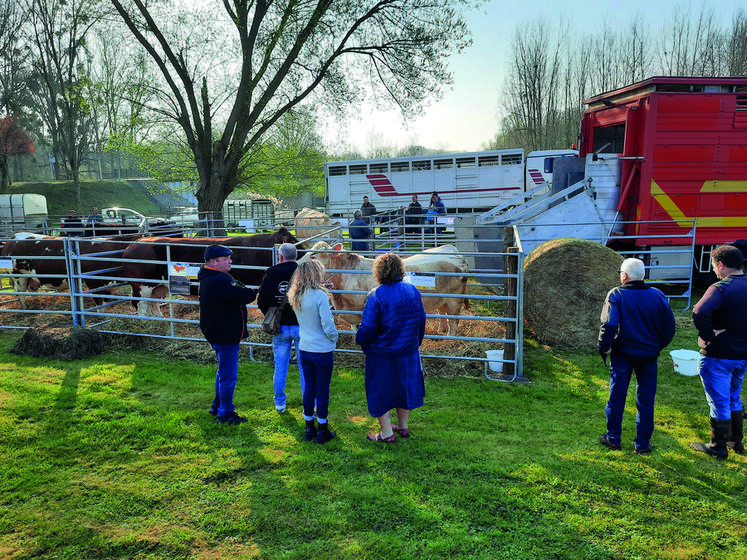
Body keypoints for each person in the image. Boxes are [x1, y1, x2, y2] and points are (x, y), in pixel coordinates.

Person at [598, 258, 676, 454]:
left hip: (623, 355)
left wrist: (604, 346)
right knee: (646, 399)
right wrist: (657, 346)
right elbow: (669, 327)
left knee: (617, 396)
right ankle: (642, 443)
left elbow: (608, 324)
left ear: (624, 276)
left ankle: (613, 438)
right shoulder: (658, 295)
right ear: (643, 276)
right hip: (649, 356)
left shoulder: (616, 294)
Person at [355, 252, 427, 443]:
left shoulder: (376, 294)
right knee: (404, 388)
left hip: (382, 353)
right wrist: (415, 343)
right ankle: (403, 426)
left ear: (378, 272)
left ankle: (386, 433)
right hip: (408, 351)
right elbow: (421, 320)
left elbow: (368, 327)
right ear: (400, 269)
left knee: (381, 390)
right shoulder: (413, 290)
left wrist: (359, 337)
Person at [690, 245, 747, 459]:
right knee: (734, 395)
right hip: (742, 356)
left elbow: (698, 312)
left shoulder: (720, 288)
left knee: (719, 400)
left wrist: (708, 335)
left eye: (714, 266)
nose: (715, 271)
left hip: (718, 355)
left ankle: (718, 445)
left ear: (721, 265)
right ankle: (736, 441)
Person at [198, 244, 257, 425]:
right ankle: (225, 413)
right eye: (226, 259)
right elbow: (247, 295)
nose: (230, 261)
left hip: (219, 331)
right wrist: (247, 291)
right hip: (225, 333)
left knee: (223, 371)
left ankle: (217, 405)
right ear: (214, 262)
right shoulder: (219, 281)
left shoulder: (213, 277)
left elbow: (240, 291)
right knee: (228, 374)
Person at [288, 258, 338, 444]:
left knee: (309, 387)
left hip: (305, 347)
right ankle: (323, 429)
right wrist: (334, 337)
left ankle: (309, 427)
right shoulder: (320, 296)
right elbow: (327, 324)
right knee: (322, 389)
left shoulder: (296, 294)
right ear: (317, 274)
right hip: (322, 349)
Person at [257, 242, 305, 413]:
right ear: (296, 256)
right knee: (305, 367)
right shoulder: (304, 272)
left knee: (280, 366)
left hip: (280, 327)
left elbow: (262, 300)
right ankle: (309, 404)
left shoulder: (270, 274)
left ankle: (280, 403)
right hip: (301, 326)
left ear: (280, 257)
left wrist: (273, 314)